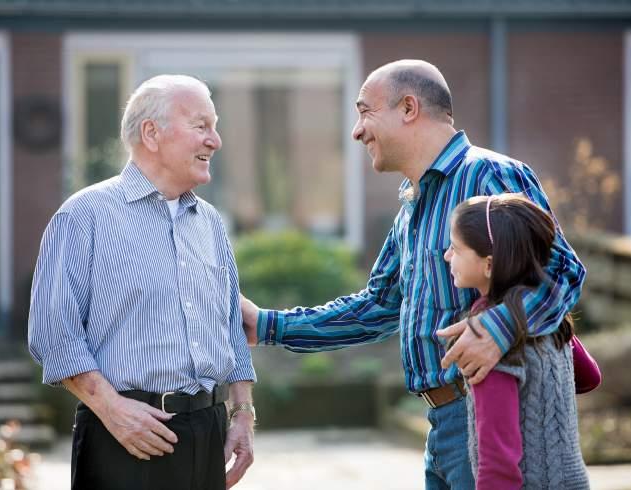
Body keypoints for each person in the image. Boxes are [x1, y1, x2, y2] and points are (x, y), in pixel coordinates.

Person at [241, 59, 586, 489]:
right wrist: (268, 325)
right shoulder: (412, 205)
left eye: (365, 111)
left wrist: (501, 326)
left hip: (488, 419)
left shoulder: (488, 173)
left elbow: (564, 271)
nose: (356, 131)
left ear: (408, 108)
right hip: (441, 427)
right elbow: (378, 306)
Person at [28, 74, 257, 490]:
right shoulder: (84, 216)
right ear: (151, 133)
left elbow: (229, 326)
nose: (215, 141)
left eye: (215, 126)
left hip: (208, 434)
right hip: (124, 437)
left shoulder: (210, 224)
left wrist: (242, 414)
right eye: (201, 126)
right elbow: (53, 334)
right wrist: (113, 410)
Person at [443, 193, 600, 489]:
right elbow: (590, 377)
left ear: (489, 265)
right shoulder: (548, 320)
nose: (447, 256)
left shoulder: (486, 339)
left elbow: (499, 465)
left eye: (456, 248)